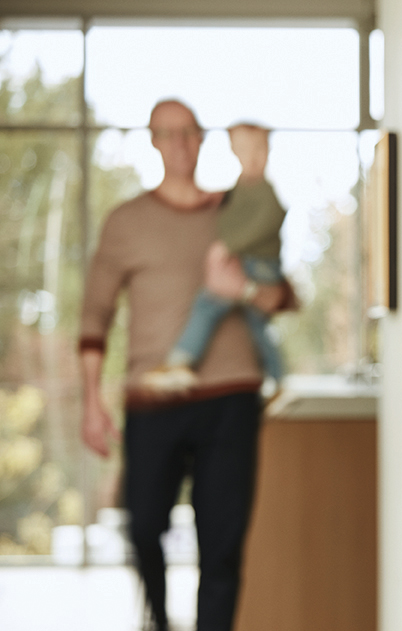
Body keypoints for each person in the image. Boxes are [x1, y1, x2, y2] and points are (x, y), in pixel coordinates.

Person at [79, 99, 289, 631]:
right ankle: (160, 621)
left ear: (202, 140)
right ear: (152, 142)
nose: (178, 143)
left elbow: (282, 296)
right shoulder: (126, 221)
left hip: (230, 396)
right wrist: (91, 401)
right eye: (166, 134)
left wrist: (239, 287)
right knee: (143, 526)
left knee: (223, 543)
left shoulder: (235, 212)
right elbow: (95, 314)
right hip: (154, 399)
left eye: (189, 133)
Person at [142, 123, 286, 393]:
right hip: (250, 264)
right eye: (244, 149)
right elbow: (232, 214)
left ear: (269, 151)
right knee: (257, 327)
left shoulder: (265, 192)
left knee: (208, 304)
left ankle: (179, 362)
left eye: (259, 149)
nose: (253, 157)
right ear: (234, 151)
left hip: (259, 266)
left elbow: (267, 221)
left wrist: (227, 246)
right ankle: (278, 381)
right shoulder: (239, 189)